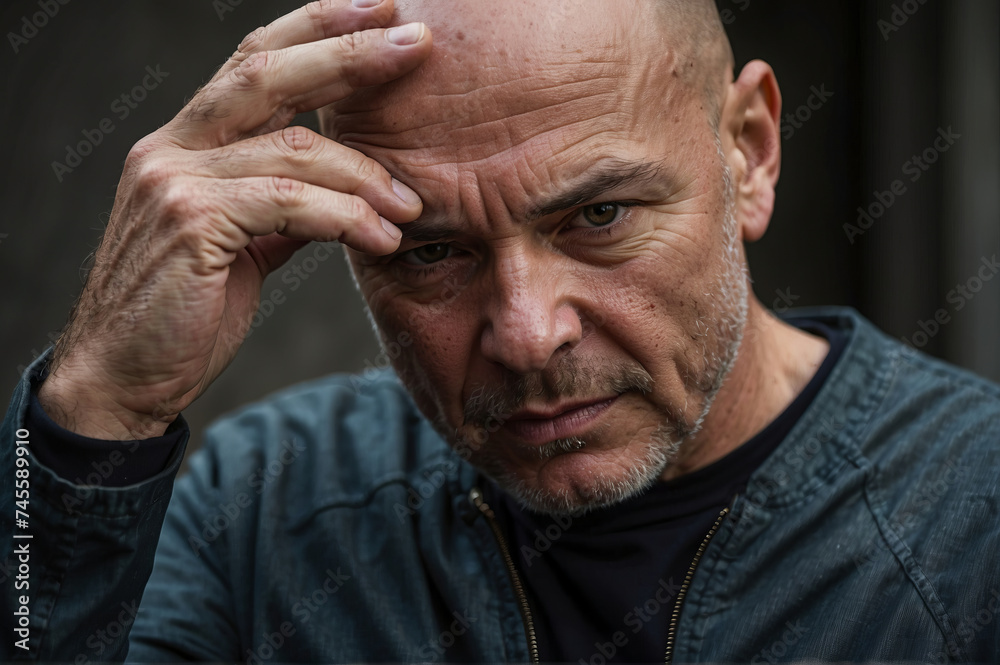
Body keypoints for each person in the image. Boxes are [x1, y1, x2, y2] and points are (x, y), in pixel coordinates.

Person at [2, 0, 999, 662]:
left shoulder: (973, 520)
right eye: (431, 251)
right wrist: (99, 412)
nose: (525, 334)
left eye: (598, 216)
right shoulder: (268, 508)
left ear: (749, 151)